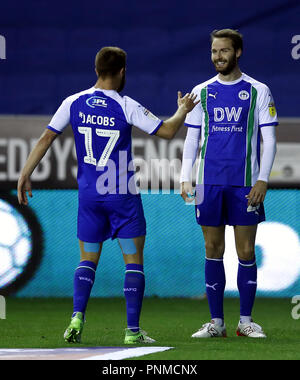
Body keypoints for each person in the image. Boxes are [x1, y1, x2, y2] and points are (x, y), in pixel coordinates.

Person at [17, 46, 198, 344]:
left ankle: (76, 317)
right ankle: (132, 331)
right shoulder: (125, 105)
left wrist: (25, 173)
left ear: (96, 69)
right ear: (123, 71)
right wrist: (182, 110)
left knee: (87, 260)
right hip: (121, 195)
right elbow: (166, 131)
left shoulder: (73, 102)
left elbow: (46, 137)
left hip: (89, 196)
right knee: (133, 262)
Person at [180, 29, 278, 338]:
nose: (218, 57)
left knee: (246, 250)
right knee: (212, 248)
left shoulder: (258, 90)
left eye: (224, 51)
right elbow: (192, 138)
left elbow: (269, 139)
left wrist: (262, 178)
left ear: (238, 52)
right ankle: (217, 323)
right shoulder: (202, 91)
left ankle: (246, 322)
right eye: (214, 52)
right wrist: (185, 176)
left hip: (245, 183)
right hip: (208, 184)